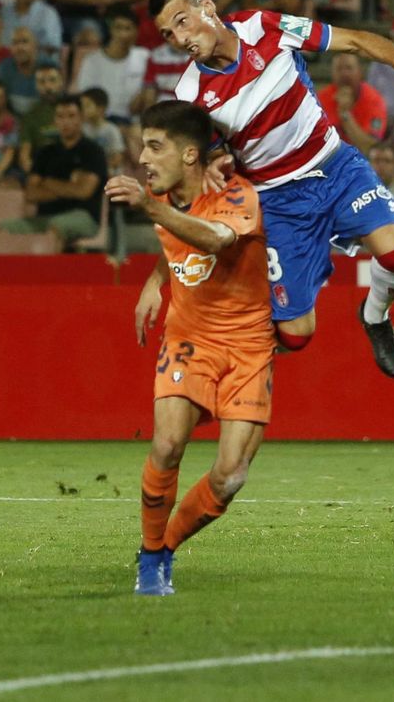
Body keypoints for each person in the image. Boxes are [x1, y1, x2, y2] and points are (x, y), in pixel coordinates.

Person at [148, 0, 394, 377]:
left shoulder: (265, 27)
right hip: (278, 201)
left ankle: (375, 316)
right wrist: (215, 162)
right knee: (296, 335)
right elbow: (211, 152)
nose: (179, 38)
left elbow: (353, 40)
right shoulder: (191, 94)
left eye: (182, 21)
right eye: (168, 34)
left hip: (334, 166)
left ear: (207, 6)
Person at [103, 100, 273, 596]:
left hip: (248, 344)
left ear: (192, 155)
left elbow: (217, 238)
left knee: (230, 476)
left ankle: (164, 546)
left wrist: (149, 207)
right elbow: (175, 239)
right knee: (167, 444)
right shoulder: (168, 198)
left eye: (156, 147)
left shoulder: (236, 193)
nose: (144, 159)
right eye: (142, 147)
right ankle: (152, 559)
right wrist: (155, 280)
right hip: (189, 337)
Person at [0, 96, 105, 247]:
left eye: (71, 116)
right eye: (60, 116)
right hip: (45, 217)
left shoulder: (93, 151)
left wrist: (47, 183)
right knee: (4, 229)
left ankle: (50, 270)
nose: (65, 122)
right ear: (55, 120)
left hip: (83, 217)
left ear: (81, 118)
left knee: (56, 226)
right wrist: (69, 186)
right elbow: (31, 193)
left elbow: (84, 191)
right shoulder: (45, 153)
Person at [318, 53, 389, 148]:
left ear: (360, 72)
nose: (344, 74)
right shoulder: (320, 99)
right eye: (339, 69)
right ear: (332, 74)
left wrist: (345, 114)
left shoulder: (374, 101)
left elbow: (371, 146)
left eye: (349, 68)